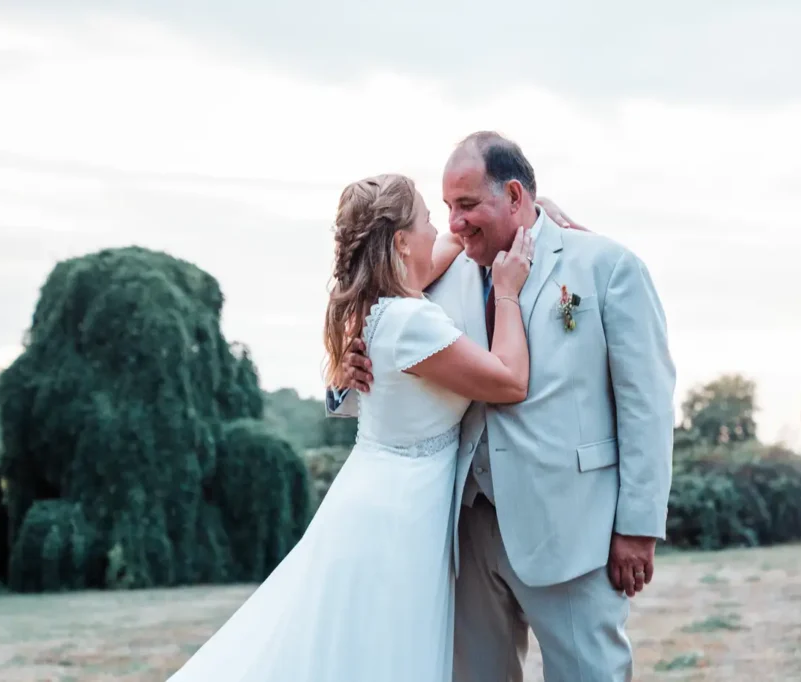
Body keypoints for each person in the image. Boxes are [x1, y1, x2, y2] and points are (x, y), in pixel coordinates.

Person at [328, 132, 676, 681]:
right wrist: (345, 378)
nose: (455, 223)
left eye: (467, 206)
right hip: (465, 532)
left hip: (571, 527)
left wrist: (638, 527)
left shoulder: (605, 267)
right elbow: (394, 363)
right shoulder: (438, 280)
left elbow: (647, 405)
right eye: (446, 209)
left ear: (514, 196)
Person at [168, 172, 542, 681]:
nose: (444, 227)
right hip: (397, 517)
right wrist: (507, 293)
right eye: (429, 218)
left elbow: (452, 243)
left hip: (377, 496)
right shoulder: (412, 321)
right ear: (403, 241)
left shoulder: (376, 308)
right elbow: (510, 380)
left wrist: (538, 212)